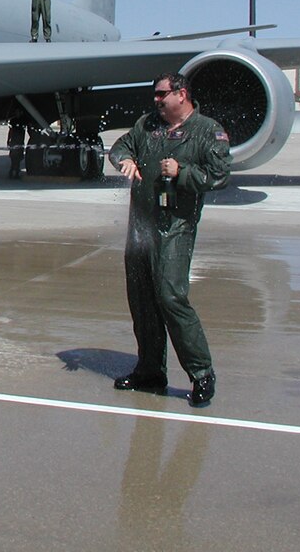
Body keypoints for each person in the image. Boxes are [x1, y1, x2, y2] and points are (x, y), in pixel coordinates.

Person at [108, 73, 231, 407]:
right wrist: (126, 159)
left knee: (170, 296)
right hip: (141, 225)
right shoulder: (147, 125)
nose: (156, 101)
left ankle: (202, 373)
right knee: (142, 299)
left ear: (182, 94)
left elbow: (219, 176)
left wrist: (182, 172)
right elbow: (120, 147)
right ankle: (150, 370)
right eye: (155, 95)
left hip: (175, 227)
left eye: (162, 94)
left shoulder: (208, 131)